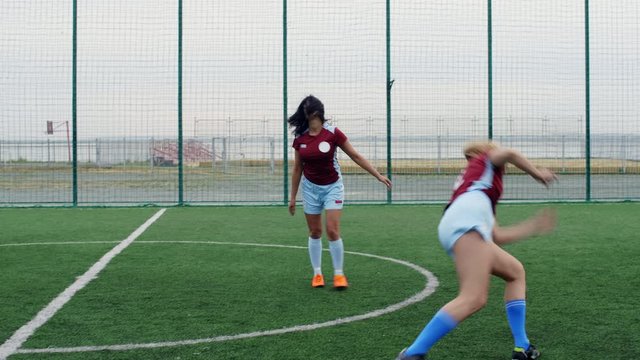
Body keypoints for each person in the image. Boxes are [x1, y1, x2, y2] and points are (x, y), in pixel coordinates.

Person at [396, 141, 558, 360]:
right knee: (473, 298)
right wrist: (538, 174)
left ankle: (522, 347)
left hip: (461, 226)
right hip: (466, 226)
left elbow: (496, 236)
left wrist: (532, 227)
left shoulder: (479, 185)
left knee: (515, 272)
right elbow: (509, 153)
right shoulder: (486, 160)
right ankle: (413, 353)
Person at [288, 95, 392, 289]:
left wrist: (378, 175)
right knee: (315, 231)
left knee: (332, 230)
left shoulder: (333, 133)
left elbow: (355, 155)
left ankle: (338, 274)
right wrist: (292, 197)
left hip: (333, 187)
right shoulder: (299, 138)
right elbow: (297, 168)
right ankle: (317, 274)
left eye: (309, 113)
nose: (307, 117)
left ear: (317, 113)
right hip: (310, 189)